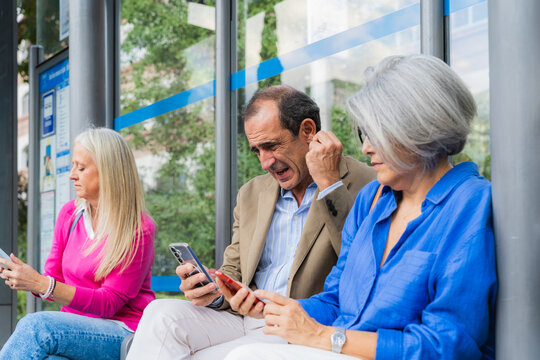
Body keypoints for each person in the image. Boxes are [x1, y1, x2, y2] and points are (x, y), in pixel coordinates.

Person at [224, 54, 497, 360]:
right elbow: (337, 299)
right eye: (363, 133)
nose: (366, 147)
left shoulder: (471, 205)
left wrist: (325, 337)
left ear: (421, 127)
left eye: (376, 133)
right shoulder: (373, 199)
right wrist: (283, 308)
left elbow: (447, 345)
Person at [126, 85, 375, 359]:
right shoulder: (251, 193)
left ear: (308, 131)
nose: (265, 162)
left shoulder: (367, 184)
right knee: (161, 313)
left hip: (300, 324)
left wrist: (328, 184)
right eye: (256, 150)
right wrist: (214, 291)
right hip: (243, 318)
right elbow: (233, 270)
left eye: (271, 146)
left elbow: (360, 266)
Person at [0, 128, 155, 360]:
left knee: (36, 326)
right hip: (74, 327)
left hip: (120, 331)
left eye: (81, 168)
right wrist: (26, 279)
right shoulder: (70, 214)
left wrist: (42, 284)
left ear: (107, 172)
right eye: (73, 166)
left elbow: (109, 303)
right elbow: (54, 279)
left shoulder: (137, 229)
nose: (72, 175)